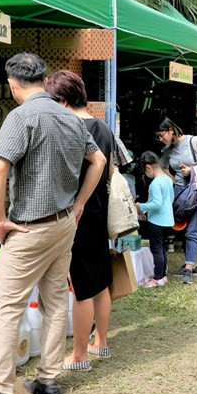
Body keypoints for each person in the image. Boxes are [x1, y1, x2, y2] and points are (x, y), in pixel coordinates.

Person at [0, 53, 106, 394]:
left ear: (12, 85)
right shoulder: (71, 117)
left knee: (7, 309)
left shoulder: (21, 117)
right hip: (63, 225)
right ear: (44, 79)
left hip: (29, 228)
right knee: (54, 302)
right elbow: (99, 161)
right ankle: (48, 379)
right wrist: (79, 203)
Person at [44, 70, 114, 373]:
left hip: (78, 213)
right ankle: (102, 342)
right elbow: (110, 171)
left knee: (82, 286)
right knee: (100, 281)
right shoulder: (104, 128)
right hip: (100, 211)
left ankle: (79, 355)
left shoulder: (69, 128)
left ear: (62, 100)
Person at [156, 117, 197, 285]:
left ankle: (189, 269)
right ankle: (189, 264)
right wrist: (174, 181)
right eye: (158, 137)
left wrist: (192, 170)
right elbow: (161, 167)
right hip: (180, 193)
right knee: (176, 226)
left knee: (192, 230)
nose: (160, 139)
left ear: (170, 130)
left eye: (161, 135)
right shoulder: (168, 149)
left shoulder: (193, 141)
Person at [136, 151, 175, 289]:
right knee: (161, 248)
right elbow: (169, 200)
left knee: (156, 249)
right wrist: (147, 211)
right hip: (167, 220)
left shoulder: (155, 184)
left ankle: (157, 278)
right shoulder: (168, 180)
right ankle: (162, 275)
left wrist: (140, 206)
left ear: (148, 167)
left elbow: (156, 203)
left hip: (157, 222)